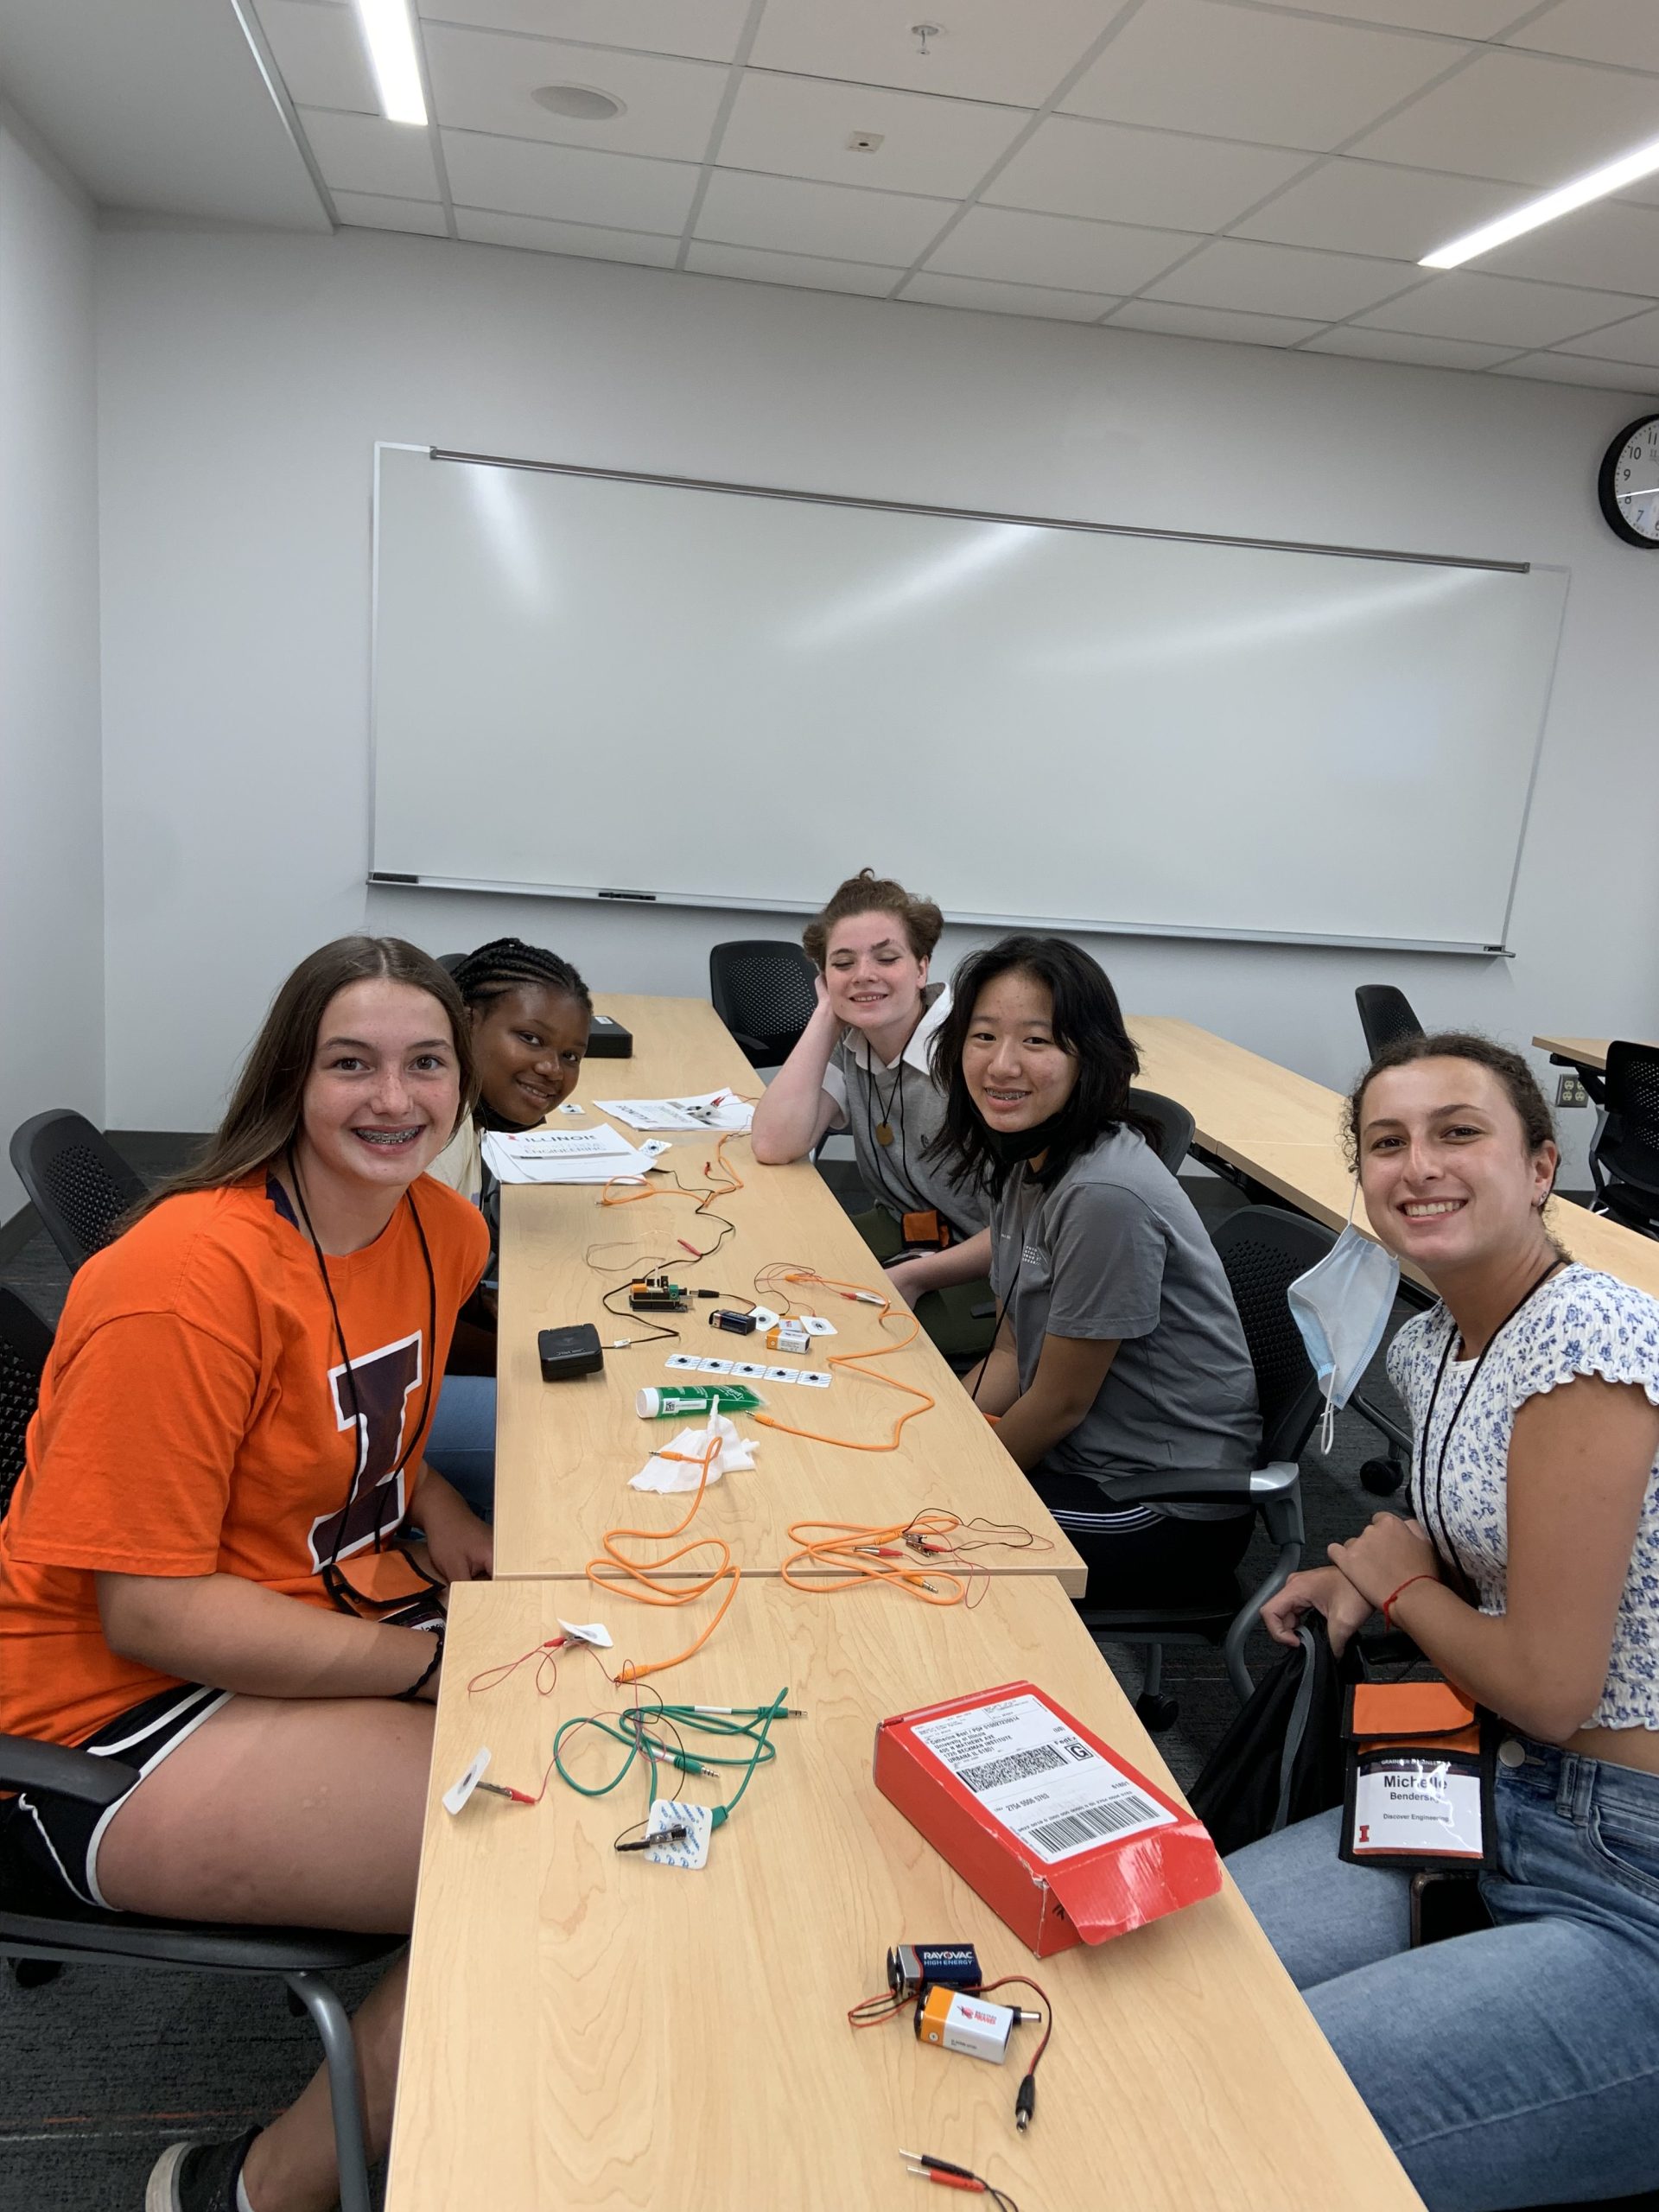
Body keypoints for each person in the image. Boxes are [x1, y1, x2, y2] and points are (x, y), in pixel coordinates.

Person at [0, 936, 493, 2212]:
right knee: (544, 1859)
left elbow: (374, 1424)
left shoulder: (439, 1227)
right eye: (351, 1064)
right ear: (291, 1077)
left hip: (310, 1607)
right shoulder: (180, 1284)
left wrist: (438, 1509)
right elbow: (151, 1608)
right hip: (99, 1712)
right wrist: (436, 1661)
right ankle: (242, 2189)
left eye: (425, 1063)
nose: (395, 1099)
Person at [1230, 1032, 1659, 2212]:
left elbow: (1552, 1683)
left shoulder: (1591, 1342)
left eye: (1458, 1132)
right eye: (1387, 1142)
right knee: (1178, 2006)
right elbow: (1477, 1554)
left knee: (1258, 2116)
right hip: (1500, 1790)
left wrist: (1404, 1585)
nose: (1418, 1165)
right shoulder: (1434, 1345)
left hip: (1632, 1876)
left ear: (1540, 1166)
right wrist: (1369, 1579)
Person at [930, 934, 1260, 1603]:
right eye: (984, 1036)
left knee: (913, 1538)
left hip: (1156, 1501)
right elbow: (1012, 1349)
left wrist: (951, 1486)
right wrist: (943, 1446)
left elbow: (1057, 1402)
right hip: (1085, 1462)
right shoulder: (1029, 1162)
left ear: (1092, 1056)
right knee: (907, 1494)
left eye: (1037, 1042)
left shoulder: (1103, 1195)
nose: (1001, 1064)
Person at [749, 870, 993, 1358]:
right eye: (842, 963)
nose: (863, 974)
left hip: (989, 1268)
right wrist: (825, 1015)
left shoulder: (974, 1057)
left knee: (843, 1343)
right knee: (762, 1270)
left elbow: (1033, 1228)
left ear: (922, 968)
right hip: (905, 1232)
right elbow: (775, 1143)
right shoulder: (855, 1042)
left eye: (887, 958)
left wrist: (913, 1276)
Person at [421, 937, 591, 1515]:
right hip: (355, 1405)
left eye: (571, 1055)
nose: (552, 1069)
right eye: (531, 1039)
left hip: (397, 1369)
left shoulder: (462, 1116)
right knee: (571, 1431)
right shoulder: (430, 1140)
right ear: (467, 1021)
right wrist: (528, 1354)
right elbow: (416, 1335)